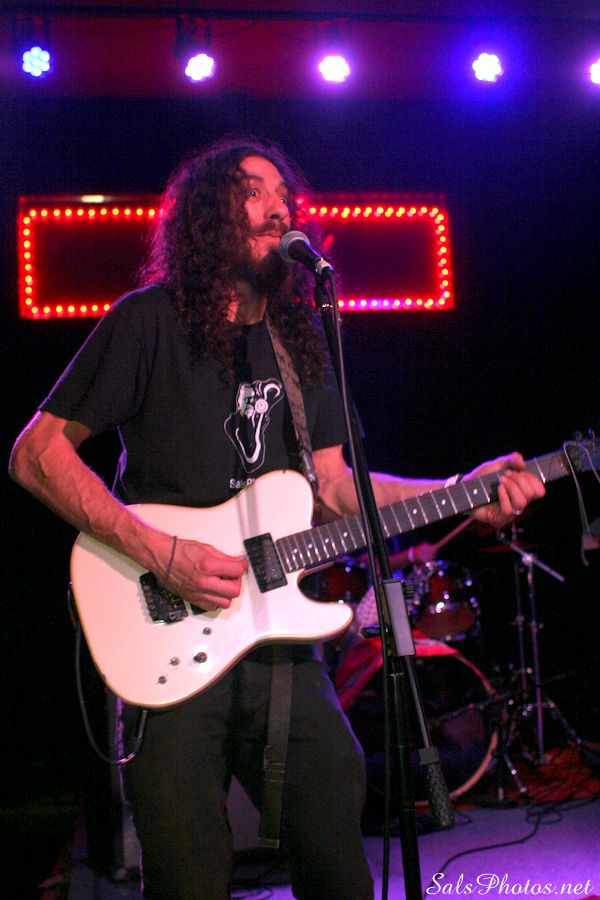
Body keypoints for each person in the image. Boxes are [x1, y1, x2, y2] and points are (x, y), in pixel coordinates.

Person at [9, 136, 545, 900]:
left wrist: (462, 488)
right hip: (167, 641)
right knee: (188, 877)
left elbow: (337, 488)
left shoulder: (300, 338)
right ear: (206, 214)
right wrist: (159, 552)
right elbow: (37, 454)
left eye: (282, 194)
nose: (275, 207)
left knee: (337, 850)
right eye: (252, 191)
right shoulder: (147, 320)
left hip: (281, 648)